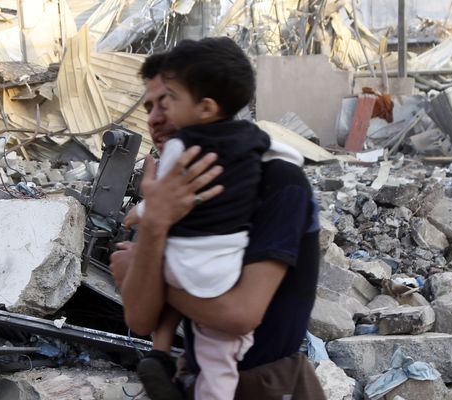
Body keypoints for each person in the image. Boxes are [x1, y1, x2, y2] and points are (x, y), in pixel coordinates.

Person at [112, 43, 326, 399]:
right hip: (196, 380)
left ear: (207, 106)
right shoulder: (169, 189)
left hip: (268, 386)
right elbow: (140, 318)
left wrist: (148, 270)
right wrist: (153, 226)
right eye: (150, 107)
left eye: (168, 101)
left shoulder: (277, 180)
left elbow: (239, 315)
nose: (155, 118)